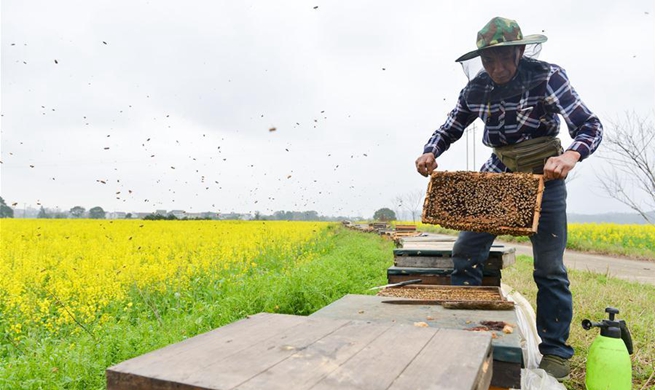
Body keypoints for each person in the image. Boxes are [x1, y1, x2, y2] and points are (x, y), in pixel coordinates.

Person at [415, 17, 602, 381]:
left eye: (505, 59)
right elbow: (452, 125)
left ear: (520, 51)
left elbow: (589, 126)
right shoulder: (478, 88)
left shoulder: (547, 76)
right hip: (499, 170)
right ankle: (466, 328)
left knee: (549, 268)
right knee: (465, 251)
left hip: (543, 174)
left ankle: (556, 352)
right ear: (481, 61)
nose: (498, 68)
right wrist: (430, 150)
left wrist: (569, 156)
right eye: (489, 61)